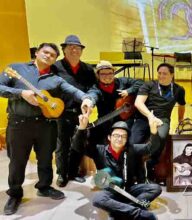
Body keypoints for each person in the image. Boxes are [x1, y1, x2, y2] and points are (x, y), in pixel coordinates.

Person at [0, 43, 94, 215]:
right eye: (45, 52)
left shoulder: (55, 79)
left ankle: (44, 186)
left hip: (46, 124)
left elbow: (73, 91)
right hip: (19, 124)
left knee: (45, 158)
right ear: (36, 53)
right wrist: (20, 94)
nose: (48, 56)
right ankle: (15, 193)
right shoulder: (17, 68)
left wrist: (86, 98)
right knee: (17, 161)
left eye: (52, 55)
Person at [72, 114, 161, 220]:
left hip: (129, 188)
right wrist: (82, 127)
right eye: (116, 135)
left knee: (155, 188)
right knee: (98, 199)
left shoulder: (132, 149)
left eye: (123, 136)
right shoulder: (99, 150)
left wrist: (153, 129)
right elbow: (77, 147)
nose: (119, 139)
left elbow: (152, 147)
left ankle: (119, 211)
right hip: (111, 191)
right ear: (109, 137)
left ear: (127, 139)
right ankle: (137, 212)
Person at [54, 34, 97, 187]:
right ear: (64, 50)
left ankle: (73, 172)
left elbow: (93, 88)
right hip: (62, 112)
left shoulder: (87, 69)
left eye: (77, 47)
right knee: (62, 145)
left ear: (81, 51)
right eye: (70, 47)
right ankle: (61, 173)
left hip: (81, 113)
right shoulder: (56, 67)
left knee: (78, 144)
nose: (74, 50)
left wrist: (90, 99)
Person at [133, 63, 186, 182]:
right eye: (159, 73)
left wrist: (180, 120)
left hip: (162, 119)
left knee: (161, 137)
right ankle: (135, 169)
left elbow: (182, 105)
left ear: (172, 75)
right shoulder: (149, 85)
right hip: (144, 118)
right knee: (133, 141)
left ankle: (150, 164)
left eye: (165, 74)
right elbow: (138, 103)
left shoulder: (179, 89)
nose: (161, 76)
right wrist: (150, 116)